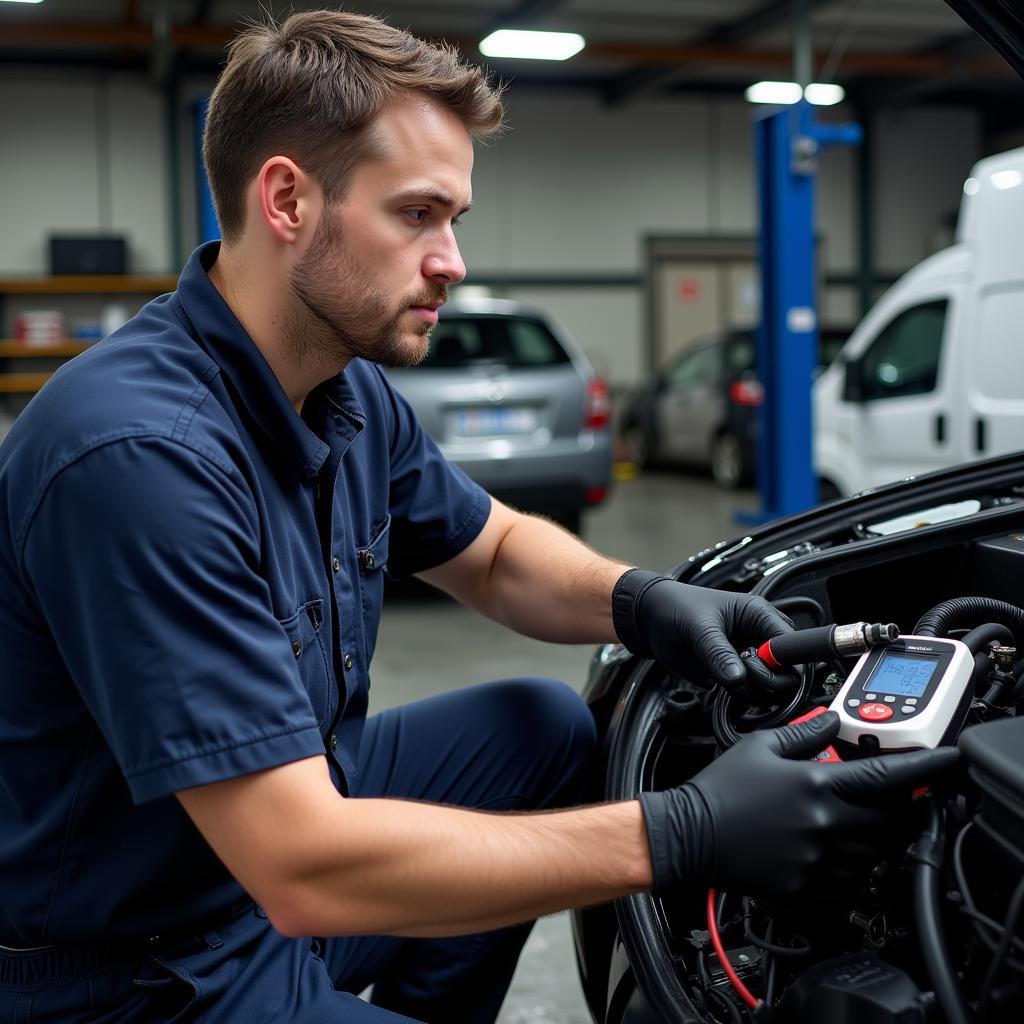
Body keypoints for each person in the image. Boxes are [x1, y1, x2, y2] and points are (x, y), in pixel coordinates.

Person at [0, 10, 959, 1024]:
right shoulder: (141, 456)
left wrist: (643, 600)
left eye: (453, 218)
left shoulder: (339, 389)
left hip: (242, 874)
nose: (451, 260)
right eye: (417, 214)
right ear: (286, 199)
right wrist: (681, 830)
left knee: (540, 725)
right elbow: (298, 863)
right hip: (135, 971)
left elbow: (495, 552)